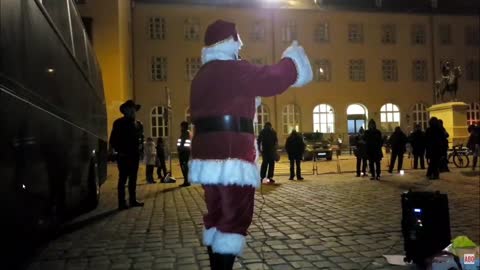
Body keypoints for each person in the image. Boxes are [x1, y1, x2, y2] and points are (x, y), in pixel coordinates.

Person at [188, 20, 312, 269]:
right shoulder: (233, 69)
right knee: (235, 217)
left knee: (216, 214)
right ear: (230, 43)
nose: (241, 46)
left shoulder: (201, 75)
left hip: (205, 156)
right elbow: (270, 78)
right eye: (238, 40)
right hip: (233, 153)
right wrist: (292, 59)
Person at [109, 100, 145, 210]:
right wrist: (116, 151)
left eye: (134, 109)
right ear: (125, 110)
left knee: (133, 179)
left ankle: (133, 200)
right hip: (123, 155)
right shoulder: (118, 123)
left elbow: (141, 139)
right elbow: (113, 139)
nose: (133, 111)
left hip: (134, 155)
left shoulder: (138, 124)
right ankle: (122, 202)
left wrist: (141, 149)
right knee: (123, 179)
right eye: (131, 109)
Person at [177, 121, 192, 187]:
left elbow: (185, 143)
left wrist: (180, 150)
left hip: (184, 152)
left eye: (181, 126)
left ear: (184, 126)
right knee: (184, 166)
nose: (181, 127)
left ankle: (186, 181)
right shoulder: (185, 132)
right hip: (184, 151)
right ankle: (186, 181)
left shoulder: (186, 133)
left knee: (184, 166)